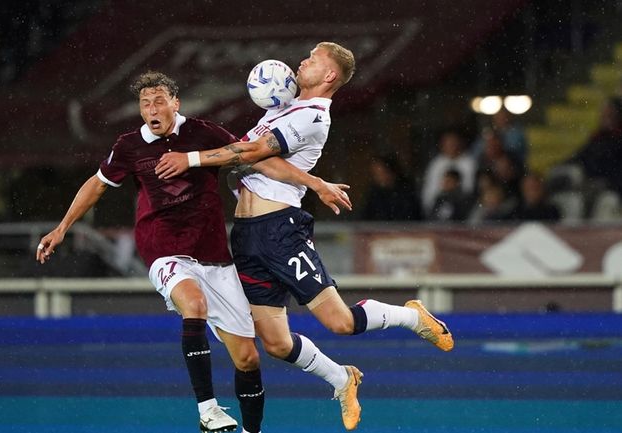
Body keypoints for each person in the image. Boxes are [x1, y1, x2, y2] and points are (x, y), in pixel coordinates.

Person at [157, 42, 454, 431]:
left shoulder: (314, 116)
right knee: (276, 344)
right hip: (246, 238)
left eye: (313, 59)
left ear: (329, 75)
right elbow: (265, 160)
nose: (302, 61)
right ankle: (341, 378)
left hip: (282, 232)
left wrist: (192, 159)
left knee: (340, 323)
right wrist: (312, 181)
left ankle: (409, 316)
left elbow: (253, 151)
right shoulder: (280, 106)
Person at [36, 71, 352, 433]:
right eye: (145, 104)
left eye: (158, 101)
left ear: (175, 103)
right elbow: (97, 184)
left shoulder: (205, 134)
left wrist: (315, 182)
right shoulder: (129, 146)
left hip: (214, 254)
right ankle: (208, 409)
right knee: (194, 304)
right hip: (164, 248)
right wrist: (61, 228)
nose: (151, 109)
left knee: (248, 358)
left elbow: (259, 158)